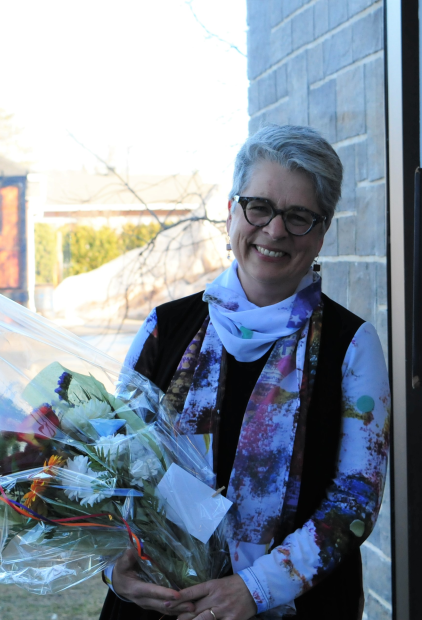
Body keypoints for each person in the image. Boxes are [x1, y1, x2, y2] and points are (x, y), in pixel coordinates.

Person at [100, 125, 390, 620]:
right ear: (233, 211)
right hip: (156, 605)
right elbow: (109, 460)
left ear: (321, 233)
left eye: (299, 217)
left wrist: (254, 588)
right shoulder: (166, 327)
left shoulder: (352, 346)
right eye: (259, 207)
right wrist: (112, 565)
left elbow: (355, 501)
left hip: (293, 607)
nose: (274, 231)